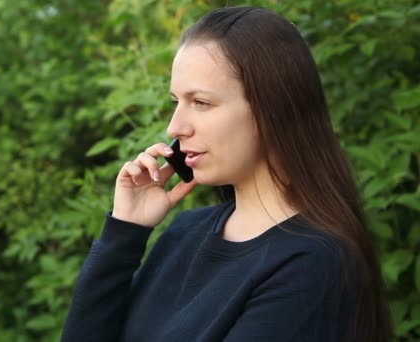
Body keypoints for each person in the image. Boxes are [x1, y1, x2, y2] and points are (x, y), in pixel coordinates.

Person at [61, 6, 392, 342]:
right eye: (177, 101)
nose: (175, 126)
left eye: (201, 102)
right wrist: (124, 233)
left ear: (272, 109)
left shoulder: (314, 265)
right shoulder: (186, 231)